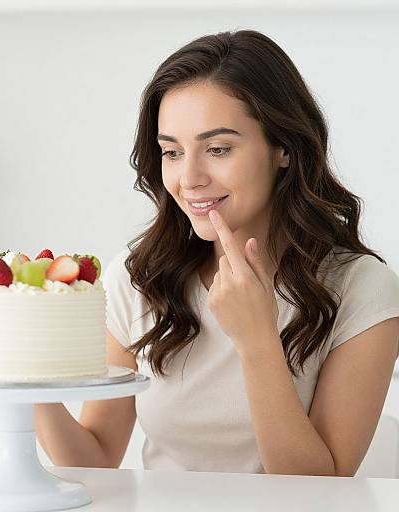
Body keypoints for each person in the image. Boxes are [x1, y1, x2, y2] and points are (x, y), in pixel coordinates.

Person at [34, 29, 399, 476]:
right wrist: (27, 381)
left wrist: (257, 340)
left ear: (284, 148)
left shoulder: (361, 289)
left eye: (218, 149)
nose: (189, 178)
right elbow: (95, 459)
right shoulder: (138, 278)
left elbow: (317, 488)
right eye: (171, 151)